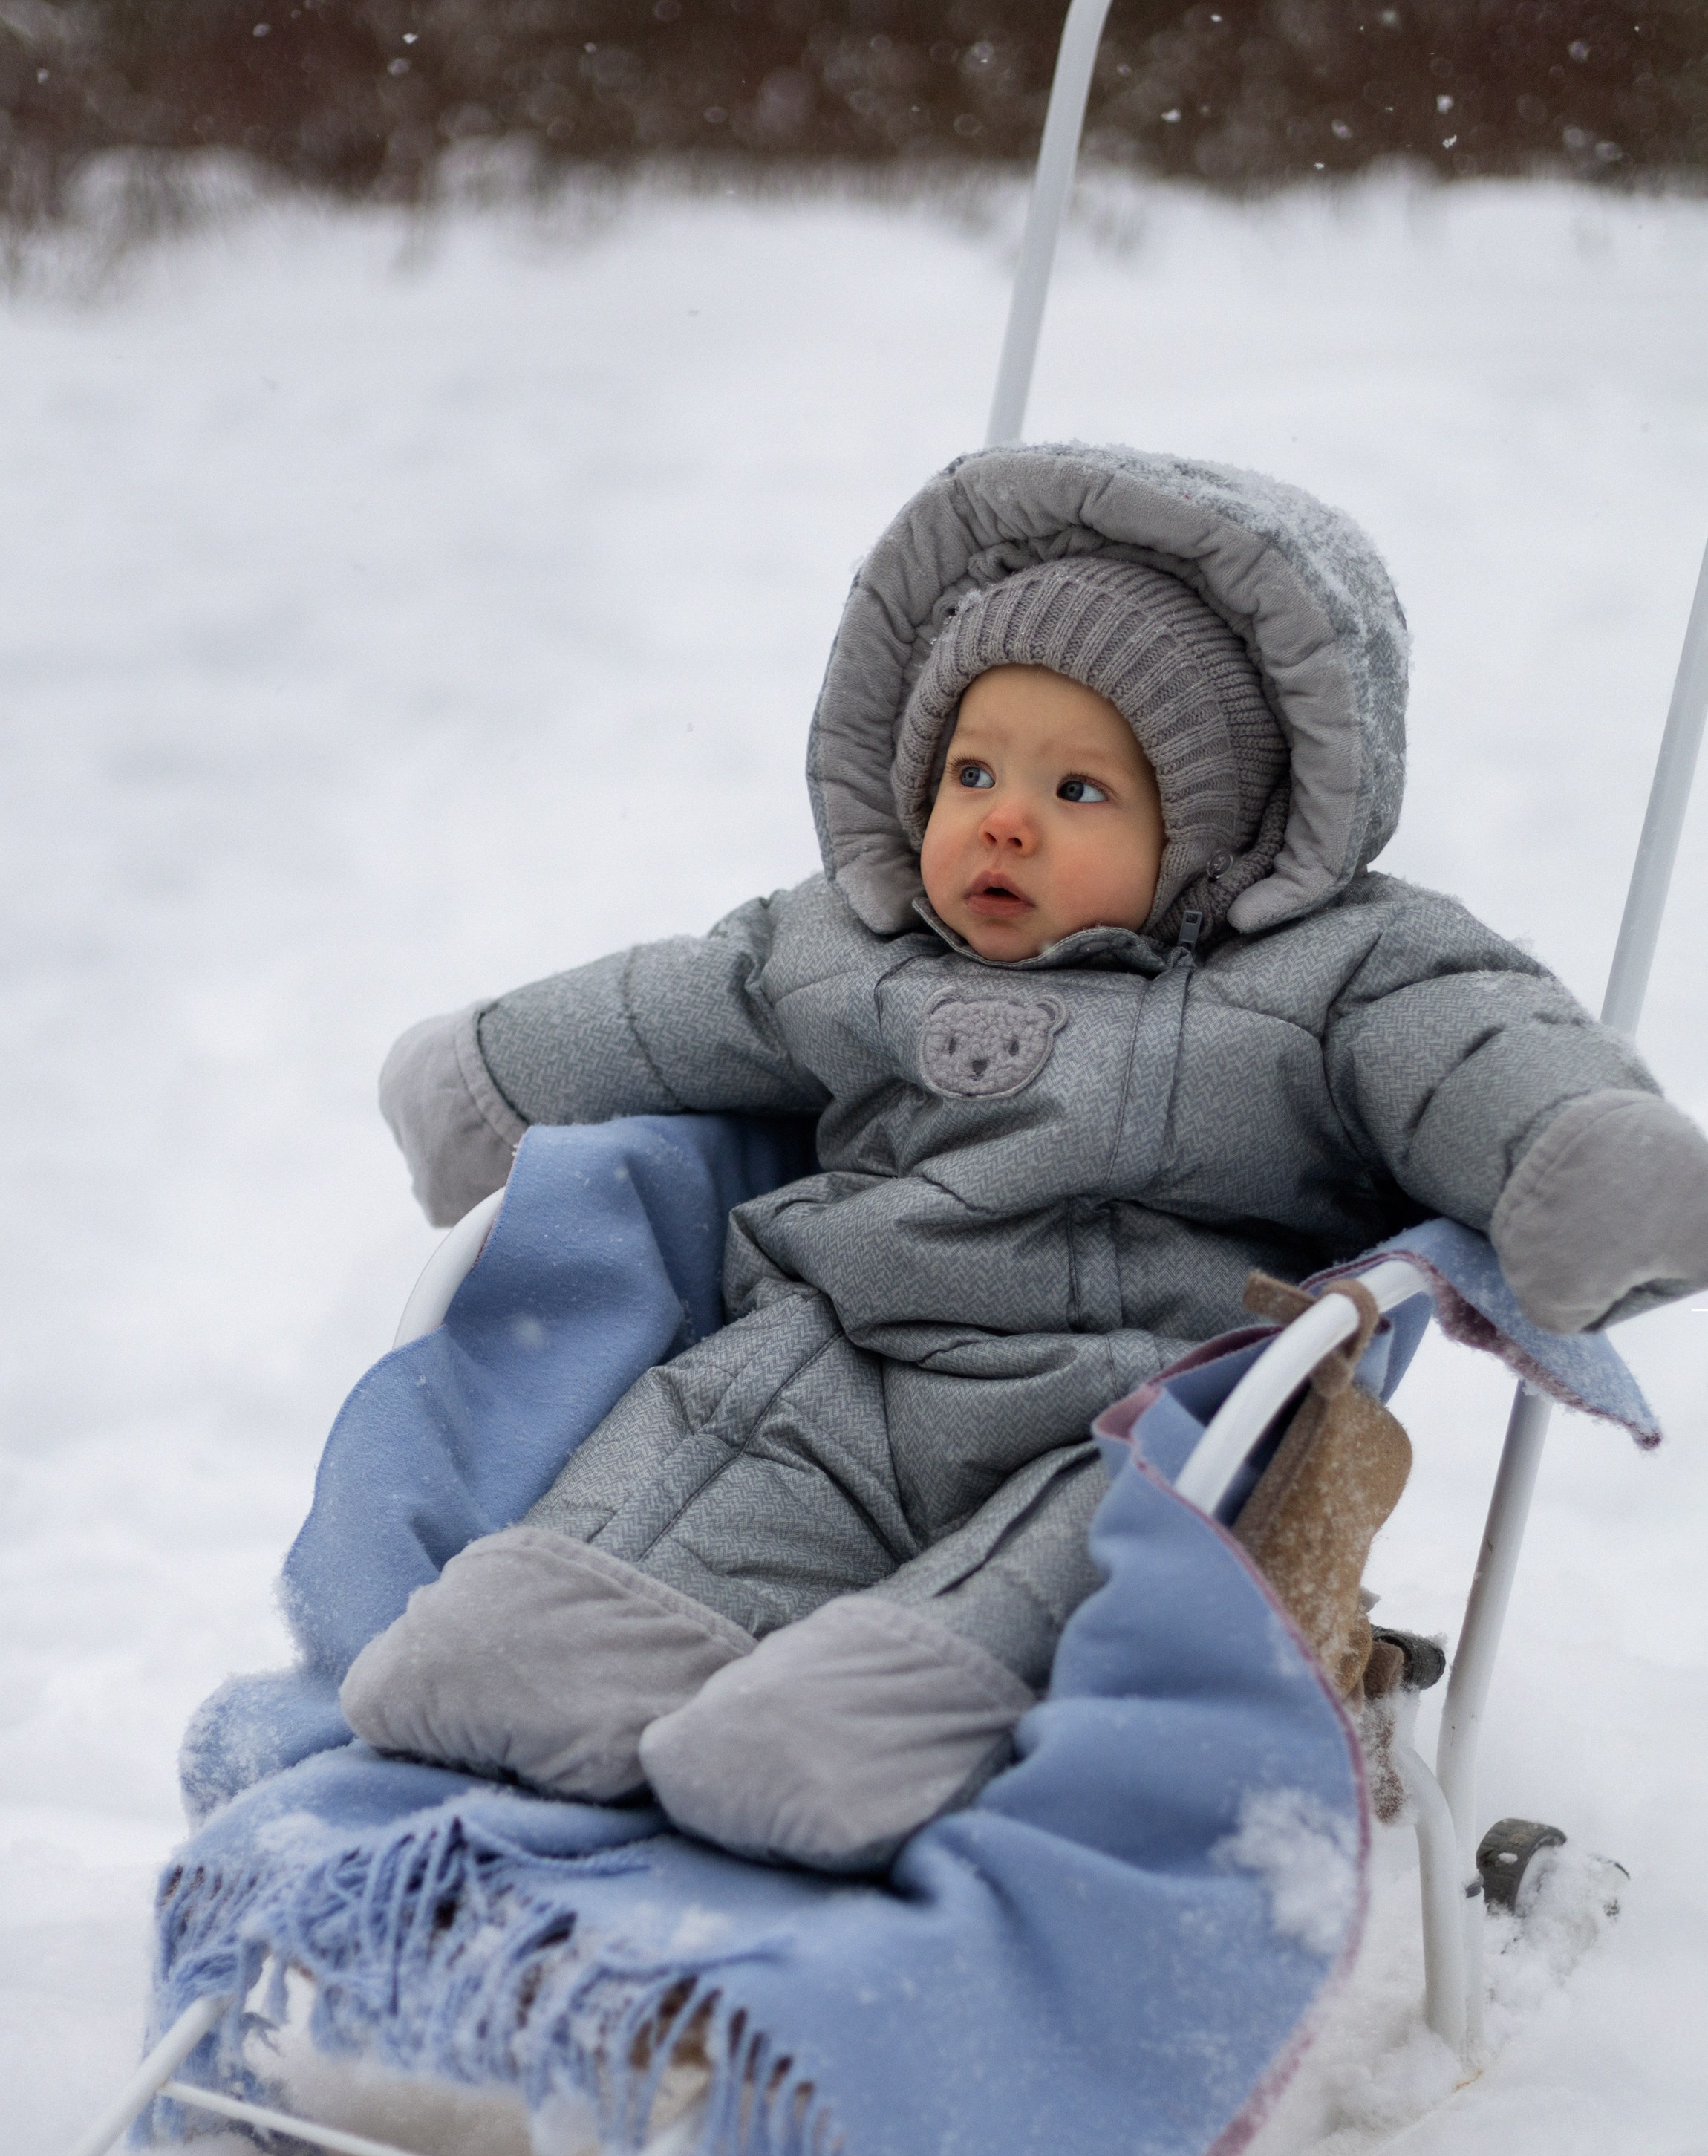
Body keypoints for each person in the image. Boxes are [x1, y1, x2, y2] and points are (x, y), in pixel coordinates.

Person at [345, 441, 1708, 1869]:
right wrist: (484, 1074)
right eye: (973, 770)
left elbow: (1475, 1048)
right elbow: (675, 1005)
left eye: (1079, 793)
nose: (1001, 816)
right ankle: (578, 1630)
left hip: (1130, 1401)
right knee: (703, 1462)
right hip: (842, 1364)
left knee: (1086, 1558)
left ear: (1215, 825)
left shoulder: (1343, 969)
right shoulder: (845, 944)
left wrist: (1580, 1153)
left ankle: (879, 1719)